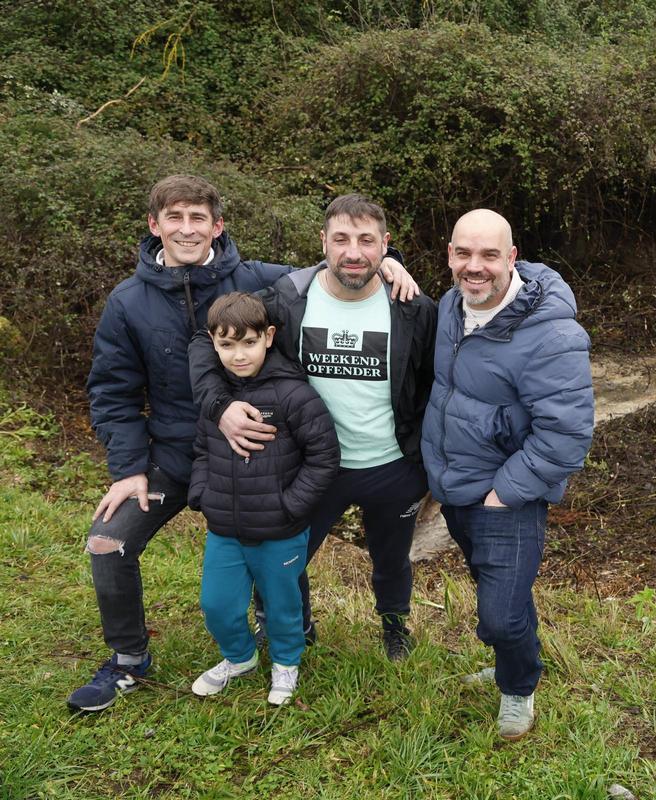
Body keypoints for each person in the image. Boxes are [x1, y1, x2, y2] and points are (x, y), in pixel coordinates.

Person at [71, 175, 417, 713]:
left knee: (279, 547)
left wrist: (388, 266)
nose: (186, 230)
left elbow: (340, 273)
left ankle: (290, 634)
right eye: (175, 218)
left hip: (259, 458)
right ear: (154, 225)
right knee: (107, 541)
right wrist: (128, 468)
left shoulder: (262, 280)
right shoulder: (127, 302)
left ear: (218, 226)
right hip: (172, 458)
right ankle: (127, 660)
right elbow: (113, 391)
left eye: (198, 218)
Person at [190, 194, 437, 662]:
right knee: (288, 561)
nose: (353, 252)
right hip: (311, 465)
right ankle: (296, 629)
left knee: (391, 559)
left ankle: (393, 623)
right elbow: (207, 342)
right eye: (341, 239)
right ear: (323, 241)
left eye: (367, 241)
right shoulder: (288, 300)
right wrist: (219, 406)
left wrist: (432, 461)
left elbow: (435, 384)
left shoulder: (413, 308)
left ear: (386, 246)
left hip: (393, 466)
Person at [421, 209, 594, 740]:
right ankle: (510, 665)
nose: (475, 267)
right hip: (455, 489)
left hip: (505, 498)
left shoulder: (552, 334)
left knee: (499, 616)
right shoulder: (451, 306)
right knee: (503, 594)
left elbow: (567, 434)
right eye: (463, 253)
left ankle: (519, 687)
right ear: (449, 254)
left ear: (512, 258)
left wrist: (505, 493)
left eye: (489, 255)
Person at [189, 293, 340, 705]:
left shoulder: (294, 395)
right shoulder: (214, 399)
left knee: (282, 605)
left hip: (280, 530)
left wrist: (289, 506)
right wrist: (202, 494)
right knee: (216, 604)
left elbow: (324, 458)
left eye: (248, 343)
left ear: (268, 337)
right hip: (225, 529)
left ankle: (286, 664)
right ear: (212, 343)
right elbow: (203, 450)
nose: (238, 355)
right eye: (226, 345)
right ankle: (239, 658)